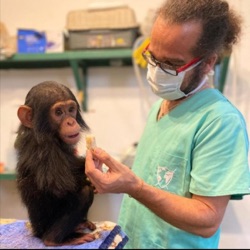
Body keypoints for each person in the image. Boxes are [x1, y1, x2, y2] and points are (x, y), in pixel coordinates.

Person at [85, 0, 250, 248]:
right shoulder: (160, 106)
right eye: (153, 56)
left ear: (206, 62)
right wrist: (118, 180)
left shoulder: (219, 121)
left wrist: (134, 187)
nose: (157, 71)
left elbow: (207, 220)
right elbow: (158, 183)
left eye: (171, 64)